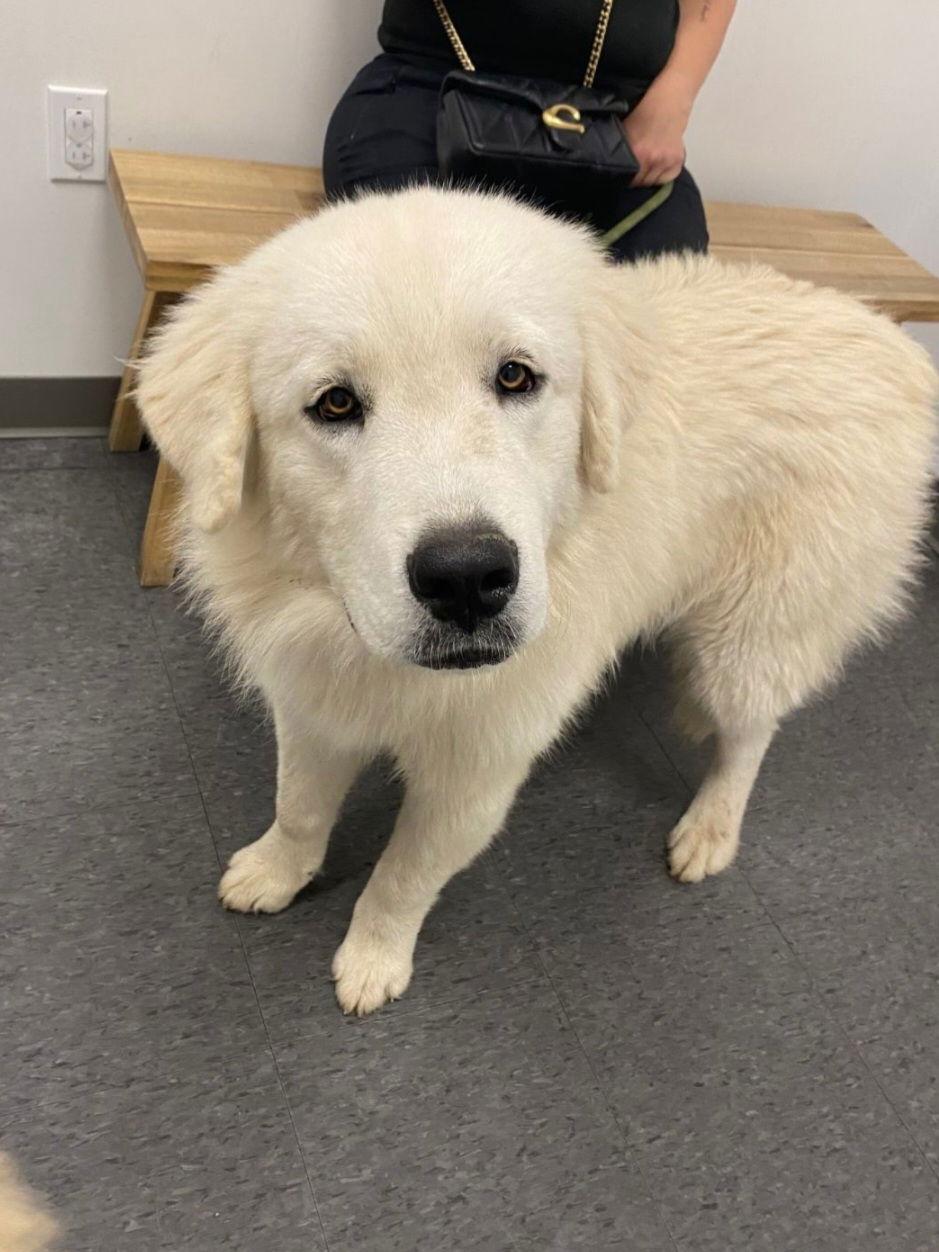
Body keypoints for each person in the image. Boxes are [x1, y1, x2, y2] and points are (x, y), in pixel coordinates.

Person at [323, 1, 736, 262]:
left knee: (654, 307)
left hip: (610, 128)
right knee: (421, 275)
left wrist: (672, 101)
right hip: (431, 96)